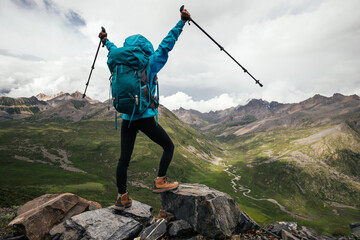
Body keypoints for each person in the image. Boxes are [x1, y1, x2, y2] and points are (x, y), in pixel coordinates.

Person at [98, 8, 191, 211]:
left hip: (127, 117)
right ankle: (160, 181)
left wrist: (105, 40)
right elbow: (167, 44)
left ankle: (122, 198)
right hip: (146, 117)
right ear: (144, 47)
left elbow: (112, 49)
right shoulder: (149, 62)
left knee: (124, 159)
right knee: (169, 147)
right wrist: (182, 22)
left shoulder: (117, 59)